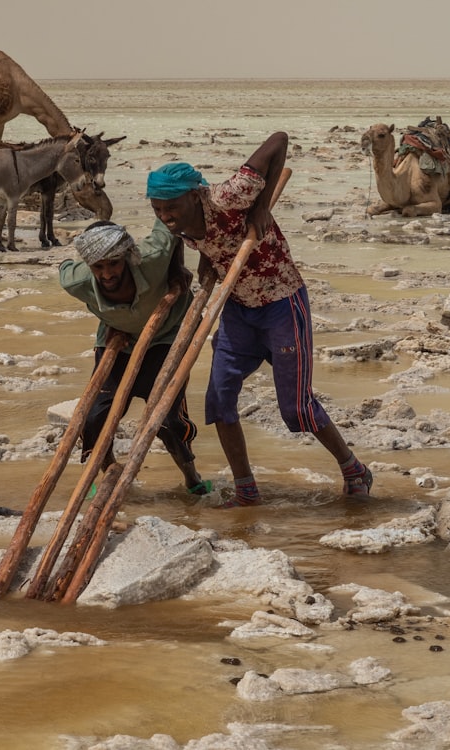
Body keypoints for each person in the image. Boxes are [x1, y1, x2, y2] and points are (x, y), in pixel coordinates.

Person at [146, 131, 372, 507]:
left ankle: (354, 469)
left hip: (282, 304)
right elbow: (206, 244)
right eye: (157, 210)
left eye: (171, 208)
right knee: (219, 401)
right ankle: (246, 489)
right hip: (238, 310)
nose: (165, 217)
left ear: (194, 195)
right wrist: (204, 265)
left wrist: (262, 206)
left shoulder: (228, 196)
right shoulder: (178, 225)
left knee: (296, 407)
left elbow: (278, 141)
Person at [59, 220, 211, 496]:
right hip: (119, 339)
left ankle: (191, 476)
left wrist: (176, 266)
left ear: (128, 256)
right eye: (98, 267)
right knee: (94, 417)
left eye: (114, 264)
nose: (106, 274)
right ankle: (109, 474)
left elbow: (169, 224)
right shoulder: (77, 281)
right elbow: (63, 269)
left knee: (165, 417)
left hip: (168, 332)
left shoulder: (151, 260)